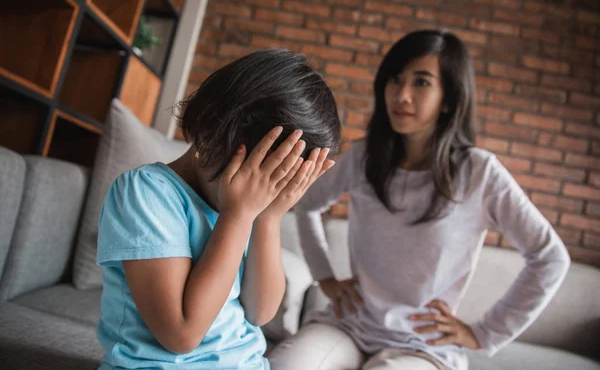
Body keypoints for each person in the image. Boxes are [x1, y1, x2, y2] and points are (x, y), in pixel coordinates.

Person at [269, 30, 571, 370]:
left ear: (448, 98)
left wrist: (484, 333)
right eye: (395, 80)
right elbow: (308, 204)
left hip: (421, 346)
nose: (402, 95)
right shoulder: (364, 156)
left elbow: (550, 257)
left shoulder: (479, 172)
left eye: (422, 82)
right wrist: (325, 278)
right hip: (349, 325)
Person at [95, 49, 341, 369]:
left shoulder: (252, 209)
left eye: (282, 181)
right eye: (265, 175)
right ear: (212, 132)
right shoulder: (146, 193)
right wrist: (237, 216)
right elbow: (181, 334)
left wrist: (268, 216)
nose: (266, 191)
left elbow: (261, 312)